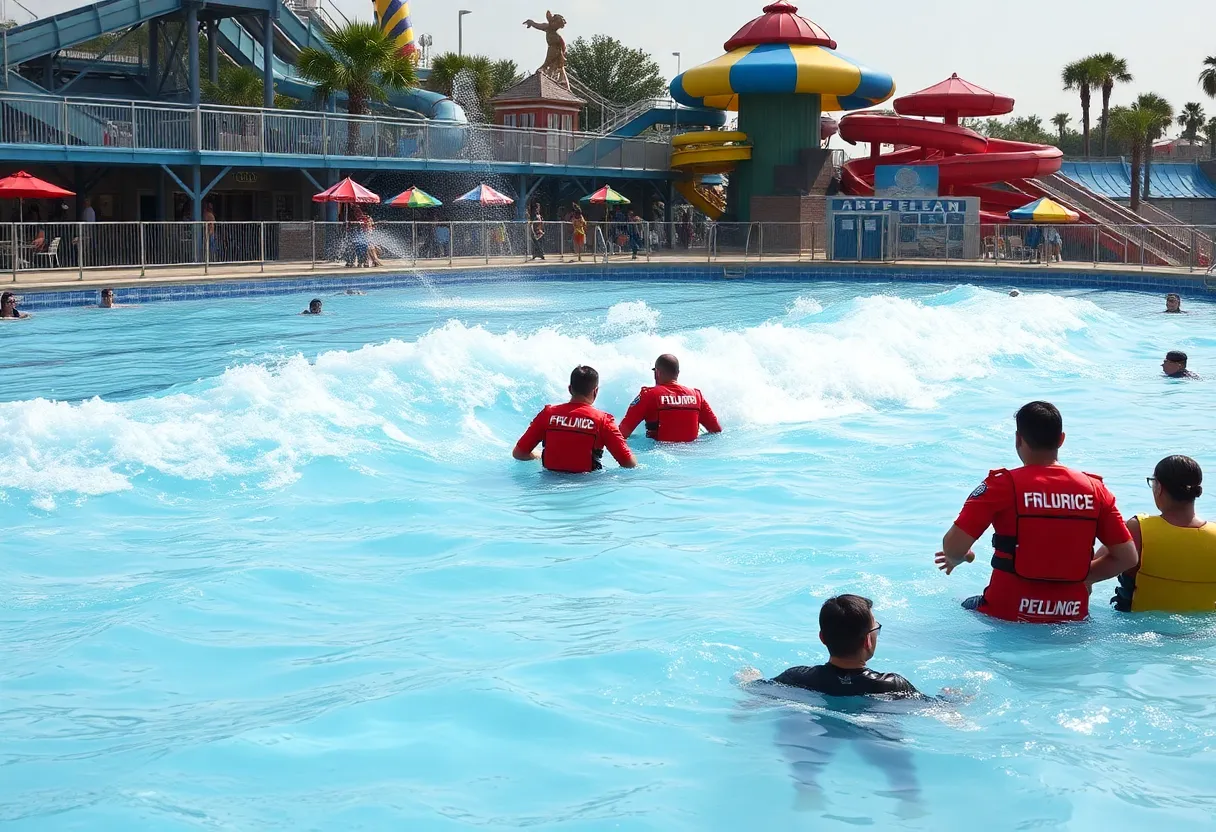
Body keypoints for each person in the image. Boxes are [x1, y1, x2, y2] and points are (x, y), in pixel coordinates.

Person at [936, 401, 1139, 623]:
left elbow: (953, 547)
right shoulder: (1095, 490)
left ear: (1018, 439)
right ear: (1061, 439)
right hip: (1071, 617)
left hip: (1006, 614)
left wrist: (962, 557)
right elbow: (1127, 557)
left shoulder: (1001, 486)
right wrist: (1081, 578)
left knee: (957, 604)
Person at [744, 595, 921, 697]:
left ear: (822, 638)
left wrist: (749, 678)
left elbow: (753, 693)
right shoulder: (892, 686)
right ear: (868, 640)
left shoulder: (796, 678)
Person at [1108, 455, 1216, 612]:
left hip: (1140, 630)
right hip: (1201, 632)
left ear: (1158, 487)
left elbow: (1094, 567)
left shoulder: (1138, 528)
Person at [513, 365, 637, 473]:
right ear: (596, 391)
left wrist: (536, 456)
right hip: (587, 487)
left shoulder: (548, 414)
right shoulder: (603, 421)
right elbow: (629, 464)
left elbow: (519, 453)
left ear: (570, 389)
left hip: (548, 483)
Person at [619, 353, 721, 443]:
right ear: (678, 373)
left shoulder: (648, 395)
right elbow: (716, 430)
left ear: (657, 373)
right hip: (692, 453)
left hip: (659, 452)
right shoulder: (696, 395)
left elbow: (622, 433)